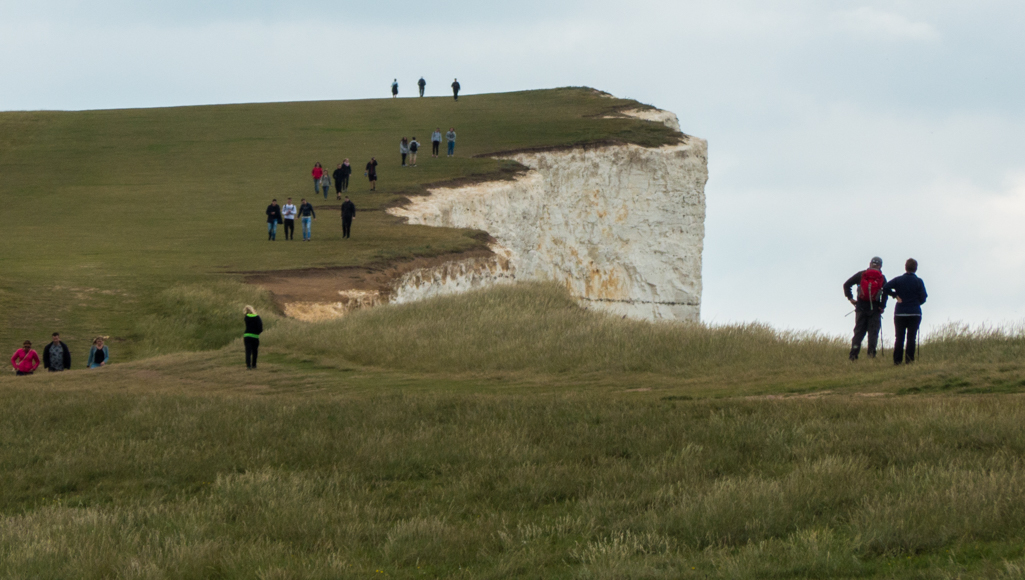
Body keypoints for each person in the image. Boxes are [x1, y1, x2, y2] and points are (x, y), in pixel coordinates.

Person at [883, 258, 928, 365]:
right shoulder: (918, 281)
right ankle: (909, 360)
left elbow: (885, 287)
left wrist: (895, 295)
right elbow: (924, 297)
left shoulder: (898, 280)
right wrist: (917, 303)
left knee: (899, 338)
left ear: (905, 267)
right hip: (915, 312)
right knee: (911, 338)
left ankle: (897, 361)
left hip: (900, 313)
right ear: (916, 268)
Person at [843, 257, 887, 360]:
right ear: (880, 266)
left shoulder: (861, 274)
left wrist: (851, 298)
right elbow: (885, 293)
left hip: (861, 308)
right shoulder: (882, 277)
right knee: (873, 333)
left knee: (858, 333)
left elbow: (846, 285)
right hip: (875, 309)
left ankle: (853, 356)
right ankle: (871, 356)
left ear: (870, 263)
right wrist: (882, 306)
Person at [243, 305, 262, 370]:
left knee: (248, 351)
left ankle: (248, 366)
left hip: (247, 335)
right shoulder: (257, 317)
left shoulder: (246, 318)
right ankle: (254, 365)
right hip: (255, 336)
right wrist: (257, 333)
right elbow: (260, 328)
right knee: (255, 351)